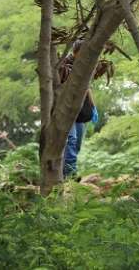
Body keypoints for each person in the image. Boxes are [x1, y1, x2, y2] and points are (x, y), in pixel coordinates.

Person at [60, 40, 98, 178]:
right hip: (66, 108)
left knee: (78, 143)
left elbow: (87, 88)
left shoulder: (85, 66)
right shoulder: (64, 64)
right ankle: (69, 173)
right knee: (71, 139)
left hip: (80, 111)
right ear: (76, 52)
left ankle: (69, 170)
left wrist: (93, 107)